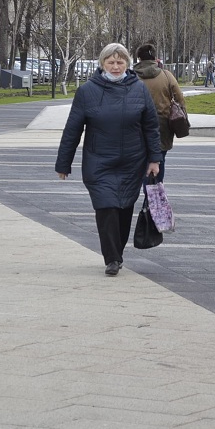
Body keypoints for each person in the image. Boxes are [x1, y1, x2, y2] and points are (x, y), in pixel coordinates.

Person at [56, 43, 162, 276]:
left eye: (120, 61)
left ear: (127, 63)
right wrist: (64, 163)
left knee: (124, 207)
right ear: (102, 63)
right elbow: (72, 130)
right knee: (106, 207)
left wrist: (154, 159)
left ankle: (117, 252)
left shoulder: (139, 89)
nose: (116, 66)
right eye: (111, 62)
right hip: (99, 161)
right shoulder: (87, 91)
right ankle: (112, 258)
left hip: (132, 161)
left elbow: (151, 127)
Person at [133, 43, 185, 182]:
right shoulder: (166, 75)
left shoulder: (131, 76)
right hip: (163, 124)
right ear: (155, 58)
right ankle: (155, 191)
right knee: (159, 159)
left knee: (142, 160)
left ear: (139, 58)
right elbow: (179, 98)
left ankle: (147, 192)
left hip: (137, 124)